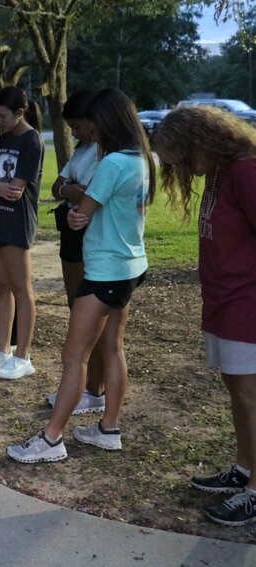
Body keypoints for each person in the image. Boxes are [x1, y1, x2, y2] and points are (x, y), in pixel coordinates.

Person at [6, 88, 154, 463]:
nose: (85, 129)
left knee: (74, 355)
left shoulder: (113, 163)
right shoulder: (144, 159)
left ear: (106, 122)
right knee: (114, 348)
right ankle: (108, 427)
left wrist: (76, 213)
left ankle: (51, 438)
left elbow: (80, 214)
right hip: (131, 264)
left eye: (92, 122)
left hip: (104, 268)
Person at [153, 106, 256, 527]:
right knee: (238, 392)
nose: (178, 165)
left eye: (178, 154)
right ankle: (245, 468)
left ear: (201, 140)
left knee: (252, 397)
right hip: (220, 299)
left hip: (247, 302)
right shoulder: (214, 174)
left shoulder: (246, 173)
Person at [0, 86, 44, 379]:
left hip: (17, 221)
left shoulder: (32, 141)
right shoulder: (2, 139)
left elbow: (15, 190)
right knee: (2, 286)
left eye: (0, 116)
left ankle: (22, 356)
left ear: (19, 113)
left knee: (21, 289)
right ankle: (2, 349)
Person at [45, 90, 106, 415]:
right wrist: (68, 189)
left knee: (90, 318)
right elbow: (58, 186)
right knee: (77, 311)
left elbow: (91, 197)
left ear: (95, 122)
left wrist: (70, 189)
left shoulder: (105, 154)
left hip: (89, 236)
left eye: (78, 126)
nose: (74, 133)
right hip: (71, 232)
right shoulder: (82, 149)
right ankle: (83, 388)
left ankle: (94, 389)